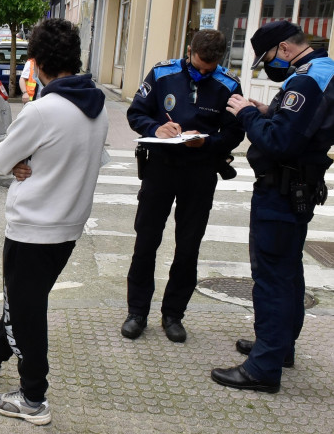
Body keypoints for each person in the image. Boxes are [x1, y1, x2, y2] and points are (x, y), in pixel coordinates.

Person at [0, 18, 108, 425]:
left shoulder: (42, 110)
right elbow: (92, 158)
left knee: (27, 310)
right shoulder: (98, 106)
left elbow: (1, 159)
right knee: (21, 299)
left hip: (33, 227)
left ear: (36, 62)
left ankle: (33, 397)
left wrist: (24, 161)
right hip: (68, 227)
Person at [211, 21, 334, 393]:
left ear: (283, 48)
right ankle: (280, 348)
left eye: (267, 59)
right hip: (296, 188)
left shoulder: (305, 80)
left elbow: (281, 142)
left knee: (272, 279)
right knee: (288, 272)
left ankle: (262, 367)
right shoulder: (322, 71)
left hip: (280, 192)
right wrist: (269, 109)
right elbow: (298, 126)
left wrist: (246, 114)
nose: (268, 66)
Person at [122, 29, 244, 343]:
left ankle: (173, 315)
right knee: (146, 242)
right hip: (160, 168)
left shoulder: (228, 85)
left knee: (188, 248)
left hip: (200, 172)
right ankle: (137, 312)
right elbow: (135, 112)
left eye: (209, 68)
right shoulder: (163, 74)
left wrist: (208, 142)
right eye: (198, 65)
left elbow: (234, 134)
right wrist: (156, 127)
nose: (203, 72)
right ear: (188, 51)